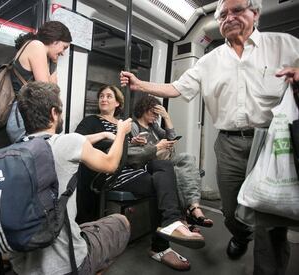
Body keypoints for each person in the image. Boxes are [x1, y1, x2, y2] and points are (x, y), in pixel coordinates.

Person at [120, 0, 299, 274]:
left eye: (237, 10)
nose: (229, 17)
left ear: (256, 14)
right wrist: (139, 84)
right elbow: (176, 88)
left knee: (270, 219)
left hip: (271, 141)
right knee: (231, 211)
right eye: (223, 14)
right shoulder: (210, 61)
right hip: (229, 143)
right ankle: (239, 234)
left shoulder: (283, 45)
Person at [75, 85, 205, 271]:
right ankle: (161, 245)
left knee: (165, 166)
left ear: (118, 102)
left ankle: (171, 222)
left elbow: (130, 152)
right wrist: (108, 135)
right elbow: (77, 140)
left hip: (130, 166)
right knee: (158, 184)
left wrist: (131, 142)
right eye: (101, 96)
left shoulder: (123, 124)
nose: (104, 99)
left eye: (109, 96)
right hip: (111, 171)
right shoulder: (92, 121)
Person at [9, 81, 132, 275]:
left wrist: (101, 134)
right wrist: (121, 133)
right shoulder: (67, 143)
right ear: (53, 113)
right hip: (66, 266)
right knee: (121, 223)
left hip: (21, 266)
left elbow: (78, 141)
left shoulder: (13, 151)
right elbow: (111, 164)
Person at [132, 95, 213, 228]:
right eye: (153, 112)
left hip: (163, 160)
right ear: (143, 109)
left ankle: (194, 205)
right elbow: (136, 153)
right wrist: (158, 146)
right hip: (149, 163)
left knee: (187, 158)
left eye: (157, 113)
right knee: (177, 172)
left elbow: (171, 137)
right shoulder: (133, 126)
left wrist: (166, 117)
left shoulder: (153, 126)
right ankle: (186, 217)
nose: (155, 116)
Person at [7, 21, 72, 142]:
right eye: (64, 47)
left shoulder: (46, 56)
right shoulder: (36, 46)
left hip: (31, 116)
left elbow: (54, 88)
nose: (63, 52)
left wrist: (54, 61)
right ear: (55, 40)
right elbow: (47, 93)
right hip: (25, 118)